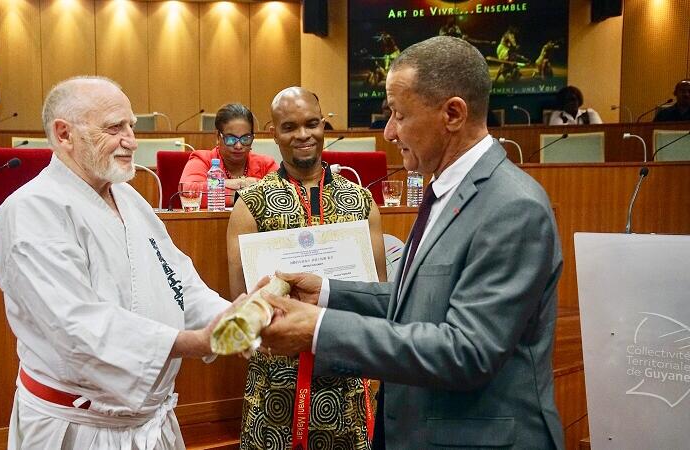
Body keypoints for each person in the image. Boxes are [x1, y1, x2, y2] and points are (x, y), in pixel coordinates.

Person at [258, 36, 565, 450]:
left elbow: (467, 351)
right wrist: (327, 295)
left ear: (452, 114)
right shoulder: (446, 189)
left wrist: (320, 329)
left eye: (399, 115)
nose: (388, 133)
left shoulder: (513, 207)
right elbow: (421, 304)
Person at [0, 76, 235, 450]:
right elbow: (76, 327)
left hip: (152, 421)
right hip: (77, 428)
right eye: (114, 128)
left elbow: (179, 282)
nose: (132, 141)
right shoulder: (30, 211)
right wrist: (189, 342)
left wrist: (232, 316)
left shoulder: (129, 198)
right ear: (64, 134)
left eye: (131, 126)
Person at [227, 86, 387, 449]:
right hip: (276, 385)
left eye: (312, 124)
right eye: (290, 127)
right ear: (273, 134)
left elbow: (378, 294)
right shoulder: (250, 205)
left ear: (324, 125)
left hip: (347, 380)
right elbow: (239, 301)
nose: (303, 135)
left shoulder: (361, 202)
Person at [180, 103, 278, 208]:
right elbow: (189, 190)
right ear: (218, 137)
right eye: (231, 139)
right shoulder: (202, 159)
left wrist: (219, 186)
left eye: (245, 139)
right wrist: (242, 187)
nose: (239, 146)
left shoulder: (266, 164)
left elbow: (281, 192)